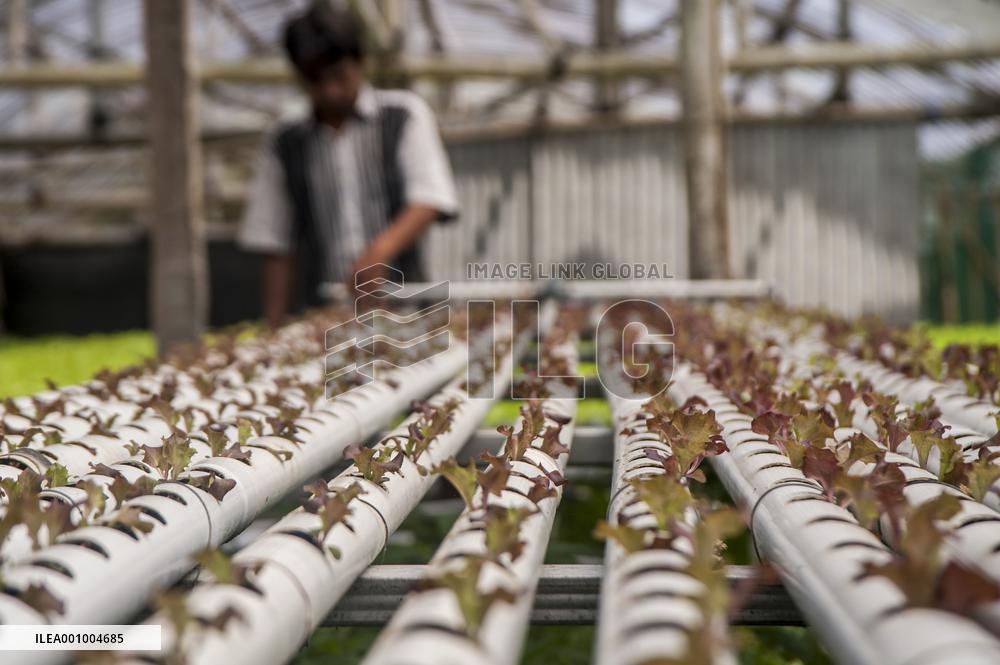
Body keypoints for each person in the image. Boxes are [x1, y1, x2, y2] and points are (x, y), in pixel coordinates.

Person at [239, 2, 458, 327]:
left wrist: (380, 251)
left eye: (339, 76)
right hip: (325, 320)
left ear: (360, 62)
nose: (330, 91)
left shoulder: (402, 116)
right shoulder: (286, 141)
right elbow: (276, 241)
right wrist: (274, 326)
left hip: (407, 313)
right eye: (315, 80)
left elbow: (428, 198)